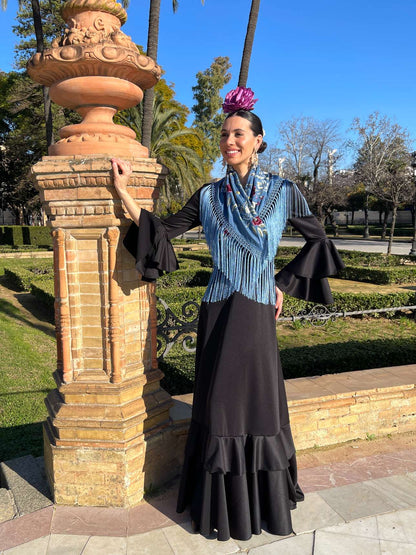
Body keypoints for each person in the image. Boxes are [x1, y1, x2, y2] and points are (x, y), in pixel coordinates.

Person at [111, 87, 344, 542]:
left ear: (258, 140)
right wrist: (123, 192)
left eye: (238, 134)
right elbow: (160, 229)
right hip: (217, 310)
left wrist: (282, 283)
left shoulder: (285, 192)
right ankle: (219, 506)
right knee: (217, 404)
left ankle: (263, 503)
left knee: (256, 405)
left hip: (256, 312)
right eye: (224, 135)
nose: (229, 141)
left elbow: (320, 242)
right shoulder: (209, 196)